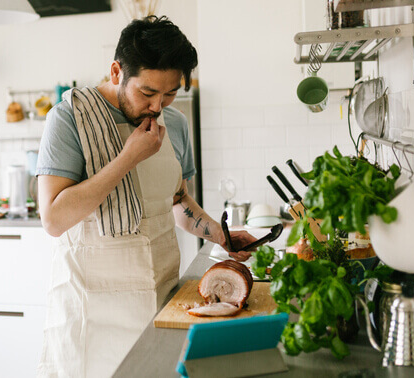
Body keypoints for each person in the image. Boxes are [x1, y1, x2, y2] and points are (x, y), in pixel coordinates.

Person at [35, 16, 257, 378]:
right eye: (148, 93)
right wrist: (128, 158)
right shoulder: (68, 119)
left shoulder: (177, 124)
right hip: (91, 316)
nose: (158, 106)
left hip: (161, 301)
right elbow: (54, 219)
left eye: (170, 94)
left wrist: (220, 234)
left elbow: (178, 202)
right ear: (116, 71)